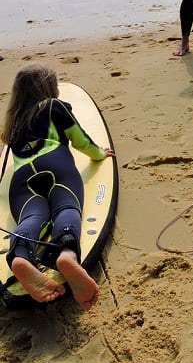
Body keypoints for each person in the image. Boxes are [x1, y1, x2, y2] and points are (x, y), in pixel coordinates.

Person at [0, 65, 114, 310]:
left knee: (32, 216)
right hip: (55, 165)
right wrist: (99, 155)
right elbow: (81, 140)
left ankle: (19, 257)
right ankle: (66, 254)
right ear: (48, 88)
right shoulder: (54, 106)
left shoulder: (15, 122)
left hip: (21, 178)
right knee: (66, 206)